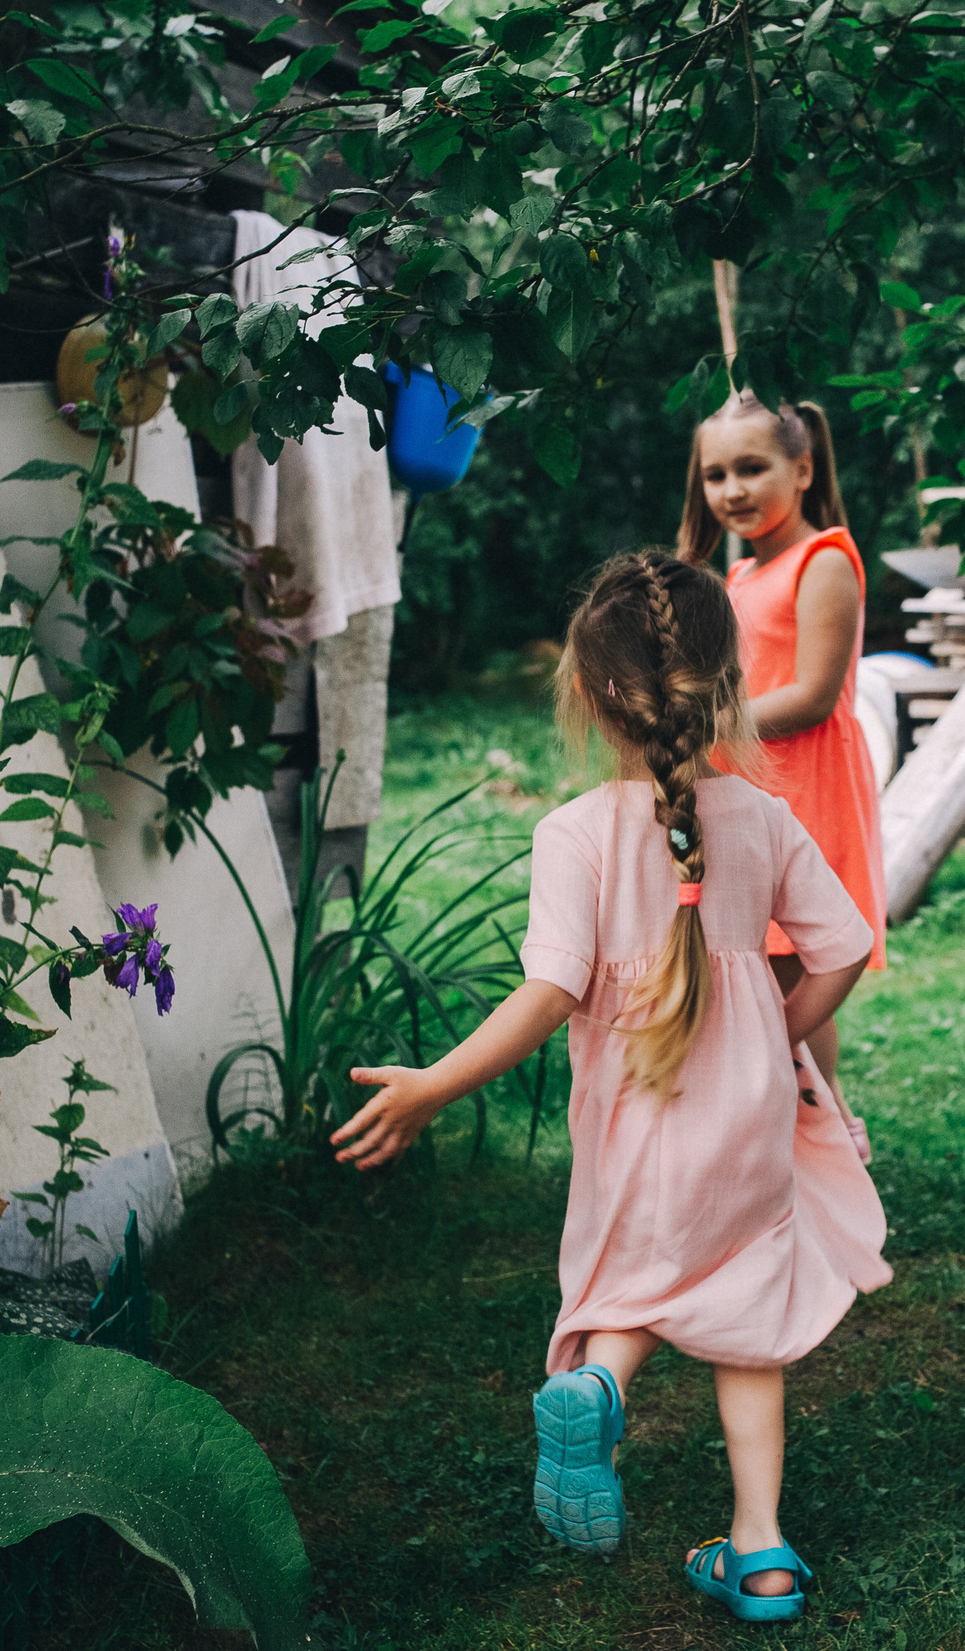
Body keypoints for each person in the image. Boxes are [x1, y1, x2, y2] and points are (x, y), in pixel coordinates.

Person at [333, 551, 889, 1623]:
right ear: (723, 684)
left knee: (628, 1276)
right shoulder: (765, 822)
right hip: (749, 1115)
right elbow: (844, 950)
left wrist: (433, 1086)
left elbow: (546, 996)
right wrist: (773, 1029)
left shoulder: (572, 836)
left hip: (633, 1120)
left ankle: (596, 1387)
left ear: (591, 695)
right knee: (747, 1309)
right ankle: (762, 1552)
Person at [679, 393, 885, 1106]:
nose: (732, 490)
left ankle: (825, 1119)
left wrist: (704, 724)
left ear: (802, 470)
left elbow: (813, 694)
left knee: (797, 961)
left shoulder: (824, 559)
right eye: (716, 474)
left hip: (806, 788)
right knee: (752, 960)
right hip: (750, 789)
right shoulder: (738, 576)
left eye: (752, 468)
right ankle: (774, 1110)